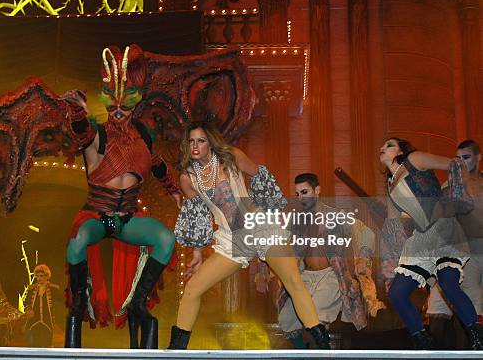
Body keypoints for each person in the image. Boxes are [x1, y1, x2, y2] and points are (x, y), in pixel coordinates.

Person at [167, 121, 330, 349]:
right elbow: (198, 215)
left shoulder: (231, 156)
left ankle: (323, 345)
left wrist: (269, 212)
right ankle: (176, 351)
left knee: (293, 282)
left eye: (201, 140)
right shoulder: (188, 178)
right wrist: (197, 254)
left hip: (261, 228)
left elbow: (259, 177)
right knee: (193, 289)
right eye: (191, 141)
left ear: (210, 143)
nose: (195, 145)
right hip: (231, 241)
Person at [64, 45, 181, 349]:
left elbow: (156, 165)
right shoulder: (97, 134)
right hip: (96, 216)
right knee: (77, 242)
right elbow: (81, 133)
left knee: (166, 238)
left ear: (137, 100)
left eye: (125, 102)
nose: (118, 109)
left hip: (127, 219)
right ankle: (78, 302)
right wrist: (78, 112)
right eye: (112, 102)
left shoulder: (143, 136)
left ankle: (139, 303)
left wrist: (175, 193)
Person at [379, 137, 482, 349]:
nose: (382, 148)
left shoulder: (414, 159)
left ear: (402, 150)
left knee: (448, 283)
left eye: (389, 145)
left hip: (444, 230)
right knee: (397, 294)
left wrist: (459, 195)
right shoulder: (390, 184)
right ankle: (423, 344)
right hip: (421, 240)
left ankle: (477, 338)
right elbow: (396, 221)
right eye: (382, 146)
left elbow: (456, 164)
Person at [275, 173, 371, 348]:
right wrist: (262, 272)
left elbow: (365, 232)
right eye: (298, 194)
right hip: (303, 276)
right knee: (287, 318)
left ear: (317, 190)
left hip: (330, 276)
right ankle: (303, 353)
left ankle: (322, 352)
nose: (301, 197)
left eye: (304, 192)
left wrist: (363, 257)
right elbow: (277, 243)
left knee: (316, 316)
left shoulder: (335, 216)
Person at [427, 139, 482, 348]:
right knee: (439, 313)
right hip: (456, 252)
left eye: (466, 158)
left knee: (472, 311)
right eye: (457, 159)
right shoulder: (448, 187)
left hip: (477, 253)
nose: (461, 163)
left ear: (478, 158)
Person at [24, 264, 59, 347]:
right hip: (33, 322)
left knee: (47, 345)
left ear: (47, 276)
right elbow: (26, 302)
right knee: (34, 345)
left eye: (41, 276)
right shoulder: (31, 289)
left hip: (47, 322)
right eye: (37, 276)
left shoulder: (54, 289)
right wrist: (28, 309)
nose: (39, 278)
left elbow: (58, 305)